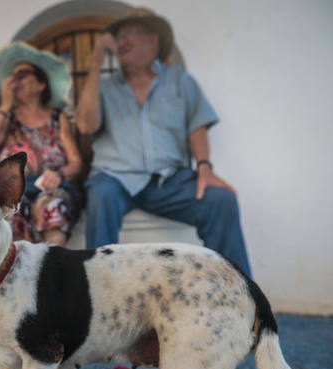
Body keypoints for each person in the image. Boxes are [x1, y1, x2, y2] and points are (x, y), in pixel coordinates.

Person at [76, 7, 252, 276]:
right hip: (116, 178)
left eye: (129, 34)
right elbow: (85, 125)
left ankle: (242, 295)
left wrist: (205, 166)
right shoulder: (105, 86)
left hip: (170, 180)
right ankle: (99, 298)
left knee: (221, 200)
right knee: (101, 196)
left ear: (152, 40)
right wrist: (96, 63)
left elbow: (197, 125)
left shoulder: (179, 80)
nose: (121, 42)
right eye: (118, 36)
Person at [0, 42, 82, 246]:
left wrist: (59, 174)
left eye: (22, 75)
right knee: (12, 211)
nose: (15, 81)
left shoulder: (58, 119)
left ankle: (51, 270)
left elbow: (76, 163)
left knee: (52, 205)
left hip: (53, 188)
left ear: (41, 84)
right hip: (15, 191)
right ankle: (21, 273)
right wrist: (5, 105)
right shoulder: (7, 119)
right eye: (11, 76)